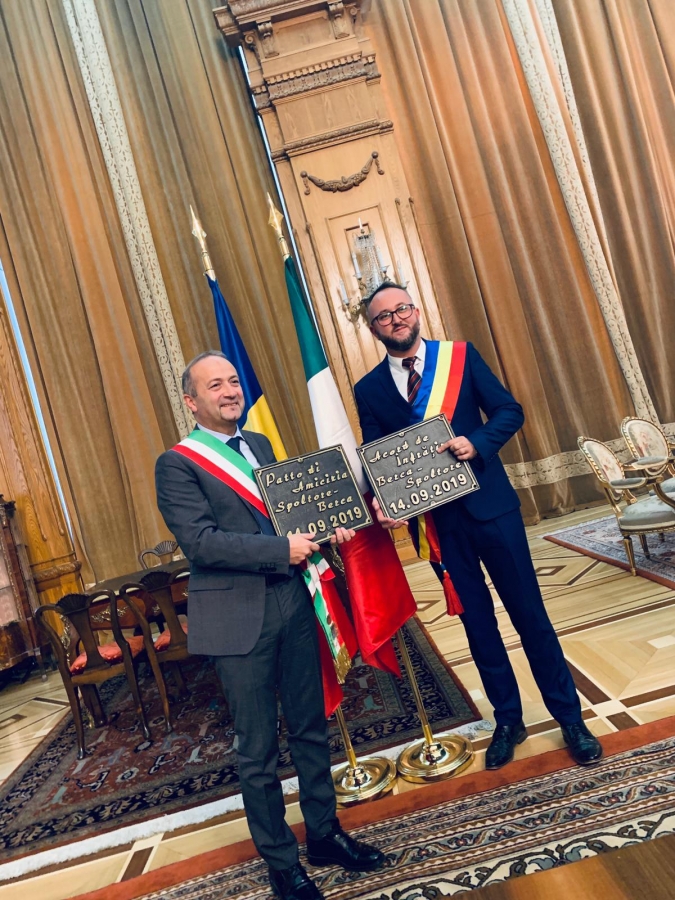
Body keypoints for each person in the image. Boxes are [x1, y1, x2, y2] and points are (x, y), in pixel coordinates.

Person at [156, 351, 385, 900]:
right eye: (215, 385)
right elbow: (202, 544)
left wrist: (327, 527)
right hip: (237, 619)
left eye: (233, 381)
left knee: (310, 726)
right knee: (257, 748)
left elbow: (288, 515)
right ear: (191, 401)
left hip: (293, 601)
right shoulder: (177, 464)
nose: (230, 391)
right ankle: (282, 864)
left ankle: (324, 834)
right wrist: (282, 549)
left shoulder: (258, 445)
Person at [354, 284, 602, 771]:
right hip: (440, 527)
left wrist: (478, 442)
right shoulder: (369, 389)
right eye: (384, 316)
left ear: (416, 311)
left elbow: (510, 411)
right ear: (373, 328)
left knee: (530, 617)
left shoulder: (460, 357)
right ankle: (508, 721)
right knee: (479, 628)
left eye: (402, 309)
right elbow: (378, 457)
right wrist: (387, 501)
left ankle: (570, 718)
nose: (396, 319)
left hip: (493, 510)